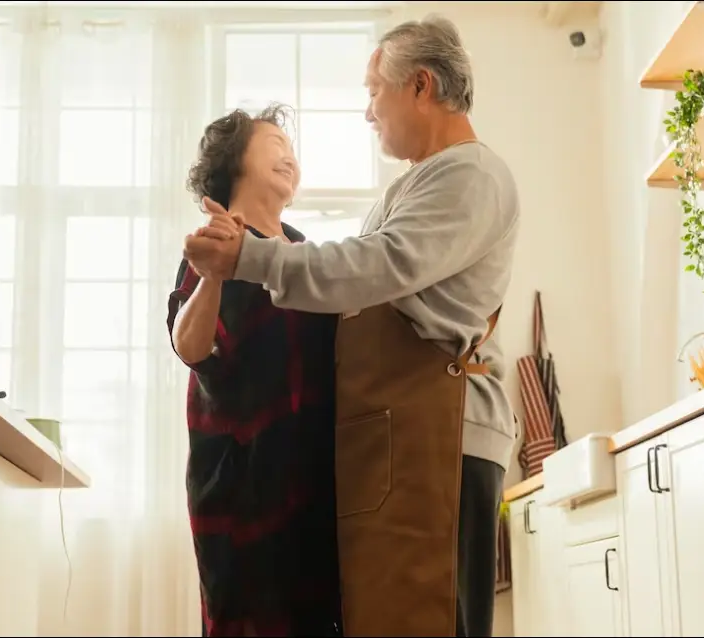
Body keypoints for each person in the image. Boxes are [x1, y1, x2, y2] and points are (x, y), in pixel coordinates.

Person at [183, 15, 520, 638]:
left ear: (420, 86)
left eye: (374, 92)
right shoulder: (421, 182)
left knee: (432, 617)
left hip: (441, 434)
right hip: (406, 436)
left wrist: (250, 258)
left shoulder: (469, 175)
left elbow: (378, 265)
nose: (369, 112)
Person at [167, 104, 341, 638]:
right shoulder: (213, 244)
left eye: (292, 151)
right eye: (274, 146)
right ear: (235, 161)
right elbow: (189, 346)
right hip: (240, 488)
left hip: (313, 481)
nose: (290, 158)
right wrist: (213, 274)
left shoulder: (304, 252)